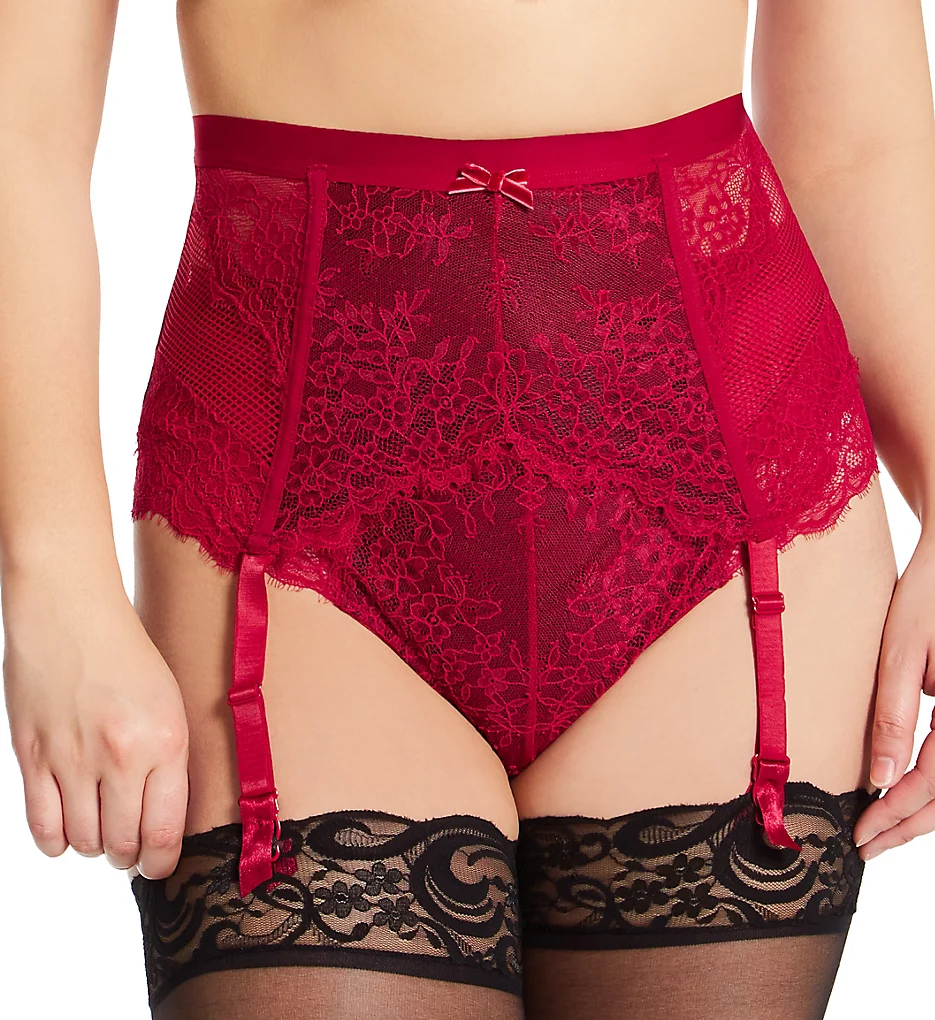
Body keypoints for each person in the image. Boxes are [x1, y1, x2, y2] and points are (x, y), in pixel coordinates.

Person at [2, 1, 934, 1017]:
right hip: (284, 519)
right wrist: (53, 584)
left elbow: (857, 143)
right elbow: (21, 128)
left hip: (727, 504)